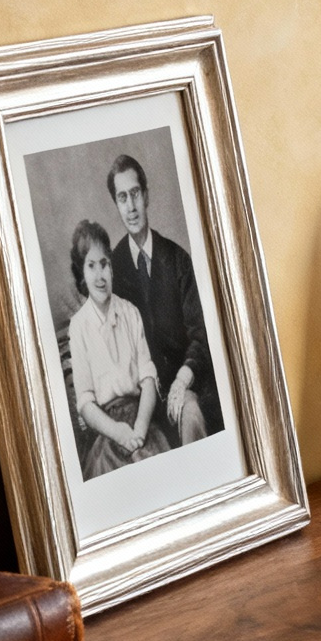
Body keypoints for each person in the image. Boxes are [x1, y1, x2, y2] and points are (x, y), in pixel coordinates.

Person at [105, 152, 224, 445]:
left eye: (135, 194)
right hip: (140, 397)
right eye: (122, 198)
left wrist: (183, 380)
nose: (131, 207)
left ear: (146, 196)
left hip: (184, 384)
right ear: (116, 205)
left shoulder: (177, 259)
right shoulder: (114, 268)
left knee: (192, 413)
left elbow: (201, 333)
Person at [65, 219, 171, 478]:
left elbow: (148, 380)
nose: (100, 275)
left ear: (111, 268)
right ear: (82, 273)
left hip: (140, 418)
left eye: (104, 264)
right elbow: (87, 403)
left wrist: (140, 429)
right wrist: (118, 432)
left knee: (157, 467)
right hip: (106, 427)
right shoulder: (79, 327)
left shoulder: (130, 313)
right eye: (91, 266)